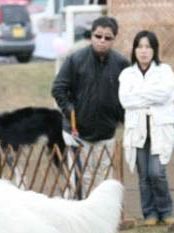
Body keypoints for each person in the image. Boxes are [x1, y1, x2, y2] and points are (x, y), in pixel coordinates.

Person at [51, 16, 129, 197]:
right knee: (81, 178)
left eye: (107, 38)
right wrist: (70, 110)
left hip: (107, 132)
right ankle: (80, 215)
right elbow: (58, 88)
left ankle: (103, 215)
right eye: (98, 36)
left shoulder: (122, 64)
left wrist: (120, 117)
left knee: (105, 177)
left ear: (114, 39)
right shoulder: (75, 60)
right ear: (91, 36)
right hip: (77, 132)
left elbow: (128, 95)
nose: (102, 41)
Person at [118, 30, 174, 226]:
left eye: (148, 47)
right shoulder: (127, 73)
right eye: (139, 46)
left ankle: (166, 211)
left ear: (154, 50)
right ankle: (149, 213)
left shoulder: (165, 71)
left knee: (157, 172)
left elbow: (165, 95)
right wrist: (150, 96)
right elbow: (125, 99)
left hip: (159, 127)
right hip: (137, 129)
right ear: (134, 50)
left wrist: (139, 96)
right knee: (143, 175)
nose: (143, 51)